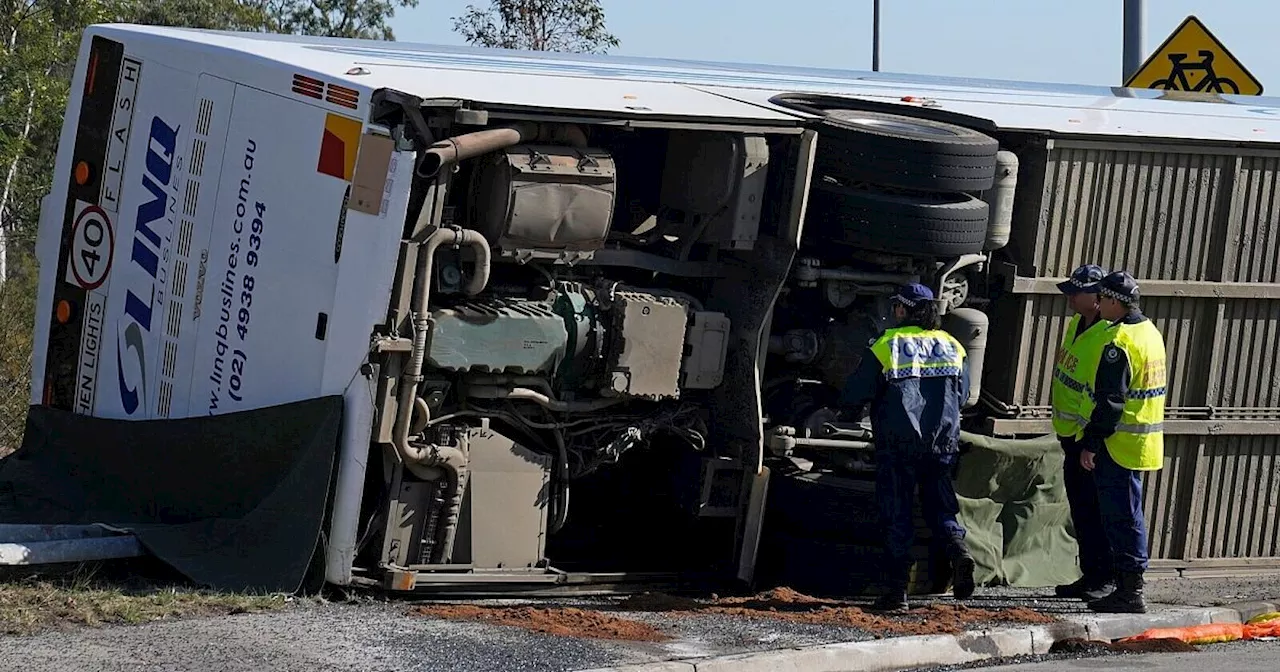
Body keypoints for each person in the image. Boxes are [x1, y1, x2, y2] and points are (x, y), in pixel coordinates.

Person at [840, 283, 975, 612]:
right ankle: (958, 551)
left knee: (897, 514)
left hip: (899, 444)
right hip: (942, 442)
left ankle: (896, 593)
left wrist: (845, 409)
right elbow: (964, 394)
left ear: (902, 309)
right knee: (941, 509)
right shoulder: (952, 345)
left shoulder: (888, 344)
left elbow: (858, 391)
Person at [1078, 272, 1166, 614]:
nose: (1098, 305)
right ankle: (1128, 587)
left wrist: (1091, 442)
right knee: (1129, 515)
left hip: (1120, 444)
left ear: (1116, 301)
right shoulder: (1150, 333)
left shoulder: (1120, 343)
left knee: (1123, 517)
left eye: (1103, 299)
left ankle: (1130, 591)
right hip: (1141, 441)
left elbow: (1111, 401)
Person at [1049, 264, 1117, 602]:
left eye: (1078, 292)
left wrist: (1091, 438)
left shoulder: (1109, 334)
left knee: (1098, 510)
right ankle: (1090, 574)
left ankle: (1105, 578)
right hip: (1070, 434)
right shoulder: (1078, 323)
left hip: (1092, 438)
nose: (1071, 298)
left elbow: (1107, 395)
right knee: (1082, 510)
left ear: (1099, 297)